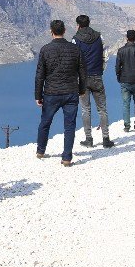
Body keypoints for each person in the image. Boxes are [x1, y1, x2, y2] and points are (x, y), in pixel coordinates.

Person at [35, 19, 87, 166]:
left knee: (45, 122)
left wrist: (38, 96)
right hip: (71, 92)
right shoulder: (75, 49)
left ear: (51, 32)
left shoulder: (45, 49)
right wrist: (82, 90)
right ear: (64, 31)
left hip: (51, 92)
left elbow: (40, 75)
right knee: (69, 125)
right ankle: (66, 158)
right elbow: (82, 73)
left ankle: (40, 150)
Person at [71, 15, 113, 148]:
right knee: (102, 109)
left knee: (85, 109)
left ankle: (88, 139)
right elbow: (105, 56)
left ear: (78, 25)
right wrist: (101, 70)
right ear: (89, 23)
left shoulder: (75, 39)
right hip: (97, 76)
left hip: (82, 79)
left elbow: (73, 61)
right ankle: (106, 139)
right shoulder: (99, 37)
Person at [115, 29, 135, 132]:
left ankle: (127, 126)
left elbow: (117, 67)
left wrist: (119, 76)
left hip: (124, 80)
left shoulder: (120, 51)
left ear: (126, 38)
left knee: (126, 103)